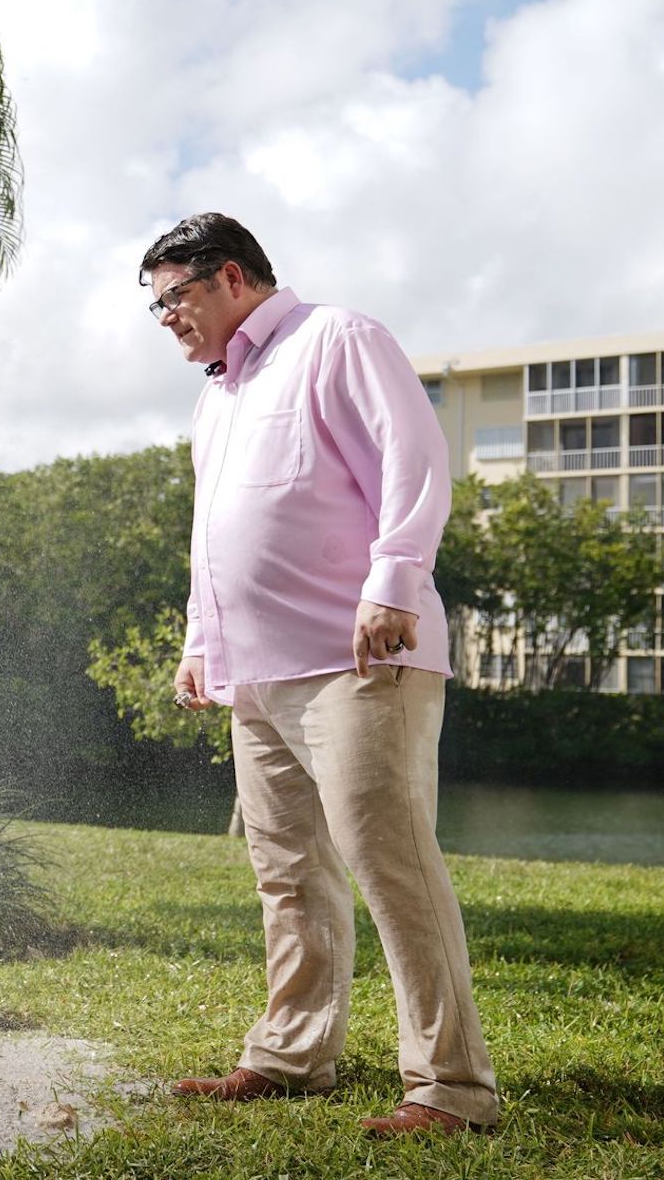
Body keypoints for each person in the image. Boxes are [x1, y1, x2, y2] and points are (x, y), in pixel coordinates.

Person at [145, 213, 498, 1135]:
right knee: (289, 872)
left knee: (393, 868)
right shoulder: (215, 396)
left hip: (358, 658)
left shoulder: (335, 338)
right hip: (257, 675)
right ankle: (293, 1054)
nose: (168, 319)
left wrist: (395, 582)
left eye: (174, 298)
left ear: (229, 277)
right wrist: (200, 643)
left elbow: (412, 462)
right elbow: (212, 536)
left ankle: (452, 1087)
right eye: (157, 308)